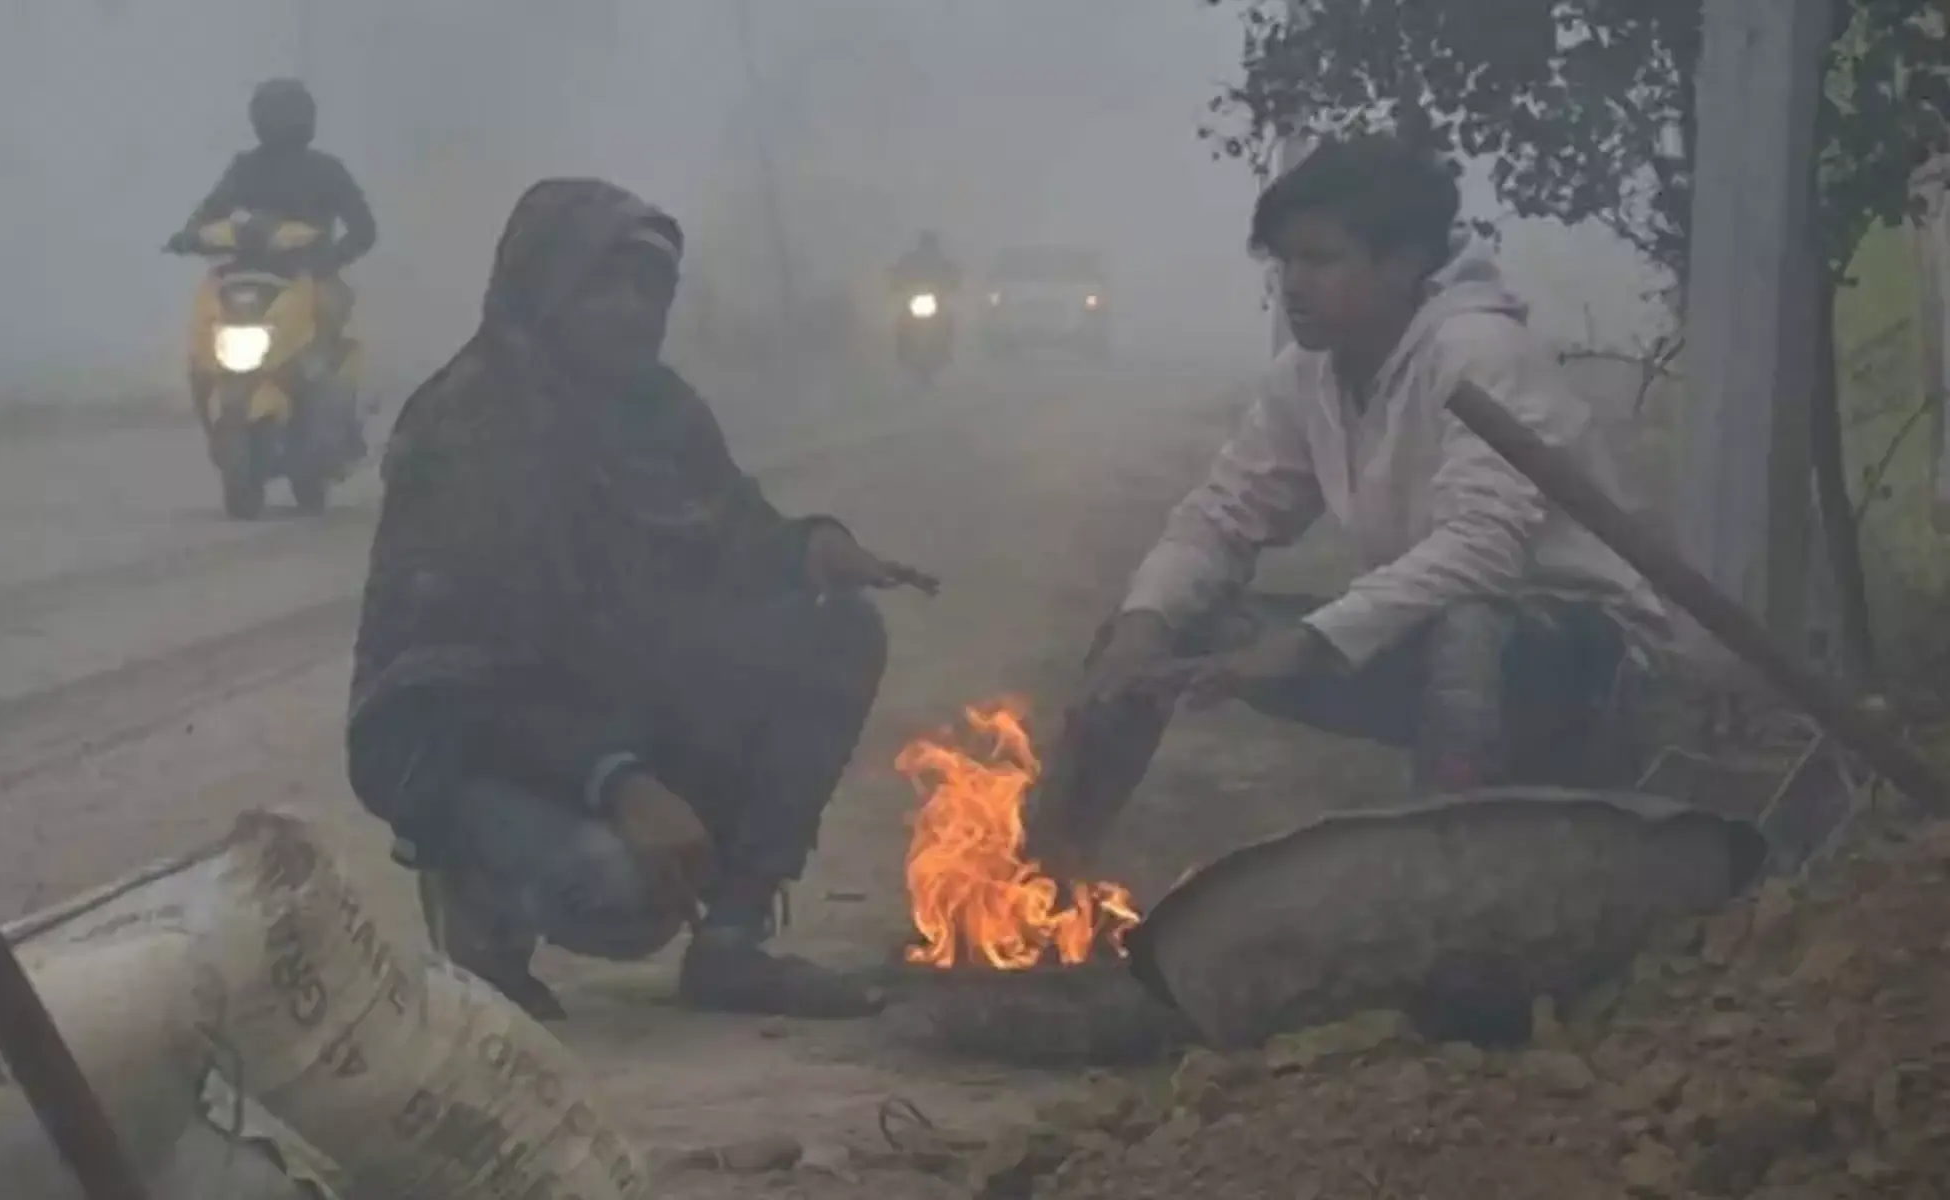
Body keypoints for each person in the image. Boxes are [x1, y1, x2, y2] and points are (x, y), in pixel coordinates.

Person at [346, 179, 937, 1022]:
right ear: (545, 289)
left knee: (836, 632)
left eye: (649, 289)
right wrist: (620, 782)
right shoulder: (471, 422)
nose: (633, 311)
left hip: (620, 702)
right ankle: (479, 919)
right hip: (471, 743)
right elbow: (469, 673)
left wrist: (810, 546)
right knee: (618, 893)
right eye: (605, 285)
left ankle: (733, 946)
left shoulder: (658, 409)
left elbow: (730, 533)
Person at [1027, 136, 1667, 872]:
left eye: (1321, 260)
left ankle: (1451, 885)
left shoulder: (1479, 352)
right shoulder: (1309, 373)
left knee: (1469, 630)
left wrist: (1302, 644)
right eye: (1284, 261)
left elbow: (1486, 549)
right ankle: (1039, 881)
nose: (1293, 284)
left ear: (1402, 262)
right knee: (1157, 630)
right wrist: (1145, 624)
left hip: (1587, 669)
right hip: (1427, 649)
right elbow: (1220, 516)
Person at [168, 79, 377, 339]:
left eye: (287, 112)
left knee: (332, 309)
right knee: (206, 305)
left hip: (309, 275)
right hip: (246, 273)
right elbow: (213, 208)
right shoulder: (245, 168)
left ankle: (323, 367)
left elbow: (363, 229)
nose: (280, 121)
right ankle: (202, 364)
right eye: (273, 112)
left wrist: (328, 260)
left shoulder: (327, 170)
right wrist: (190, 235)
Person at [889, 230, 961, 297]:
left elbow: (953, 277)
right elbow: (898, 272)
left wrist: (951, 284)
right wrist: (896, 281)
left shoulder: (943, 264)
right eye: (926, 244)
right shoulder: (910, 260)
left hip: (937, 299)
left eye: (930, 245)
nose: (927, 249)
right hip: (912, 296)